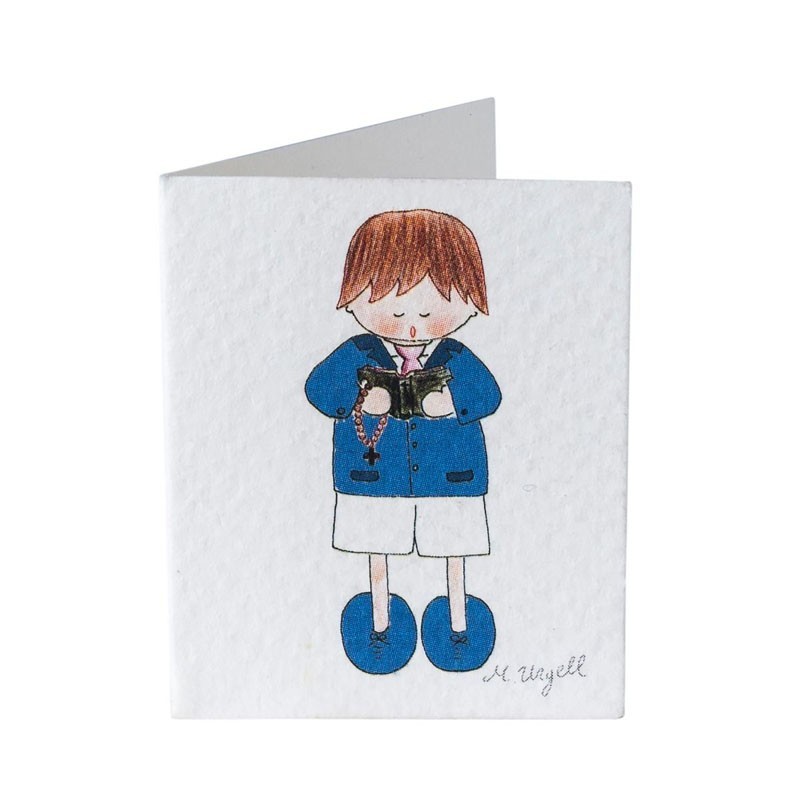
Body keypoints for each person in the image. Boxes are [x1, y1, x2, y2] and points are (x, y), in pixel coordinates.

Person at [305, 209, 501, 674]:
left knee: (453, 549)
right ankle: (379, 619)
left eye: (431, 308)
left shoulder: (454, 355)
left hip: (450, 480)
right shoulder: (359, 353)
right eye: (394, 308)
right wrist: (360, 398)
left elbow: (488, 395)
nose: (412, 322)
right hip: (374, 477)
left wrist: (452, 402)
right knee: (378, 547)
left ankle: (458, 619)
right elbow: (319, 390)